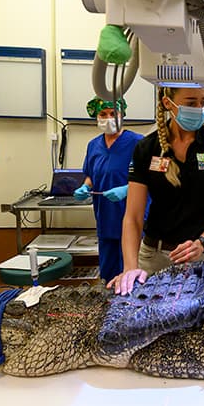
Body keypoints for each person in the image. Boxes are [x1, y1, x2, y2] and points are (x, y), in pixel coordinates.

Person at [111, 85, 204, 295]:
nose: (199, 109)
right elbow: (133, 217)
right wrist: (130, 268)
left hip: (203, 257)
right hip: (155, 258)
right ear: (169, 103)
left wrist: (201, 244)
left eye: (203, 102)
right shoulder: (147, 148)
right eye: (191, 103)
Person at [72, 97, 143, 281]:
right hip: (106, 217)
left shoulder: (138, 143)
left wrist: (127, 190)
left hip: (133, 216)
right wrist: (85, 187)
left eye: (113, 113)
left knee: (131, 275)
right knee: (109, 276)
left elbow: (150, 179)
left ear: (122, 115)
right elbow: (91, 174)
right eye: (103, 114)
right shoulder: (93, 145)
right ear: (96, 116)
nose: (108, 118)